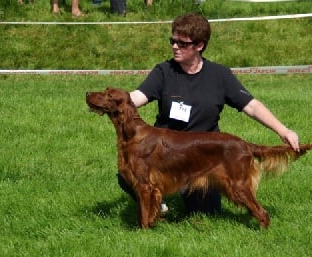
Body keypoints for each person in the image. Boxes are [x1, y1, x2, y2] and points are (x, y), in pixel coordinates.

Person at [117, 13, 300, 216]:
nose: (175, 47)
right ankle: (158, 205)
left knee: (206, 213)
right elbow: (136, 97)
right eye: (173, 41)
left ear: (199, 46)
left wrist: (283, 130)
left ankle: (185, 192)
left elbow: (251, 106)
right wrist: (112, 101)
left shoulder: (219, 75)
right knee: (128, 173)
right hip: (167, 156)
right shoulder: (164, 71)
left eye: (182, 43)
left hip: (205, 159)